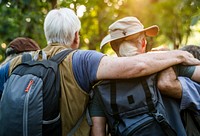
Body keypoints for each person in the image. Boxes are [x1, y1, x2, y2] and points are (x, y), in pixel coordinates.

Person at [0, 8, 200, 136]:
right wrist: (178, 56)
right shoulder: (82, 60)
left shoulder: (17, 63)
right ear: (76, 37)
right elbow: (136, 66)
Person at [89, 17, 199, 136]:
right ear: (143, 42)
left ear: (114, 47)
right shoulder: (168, 67)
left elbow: (97, 133)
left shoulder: (100, 90)